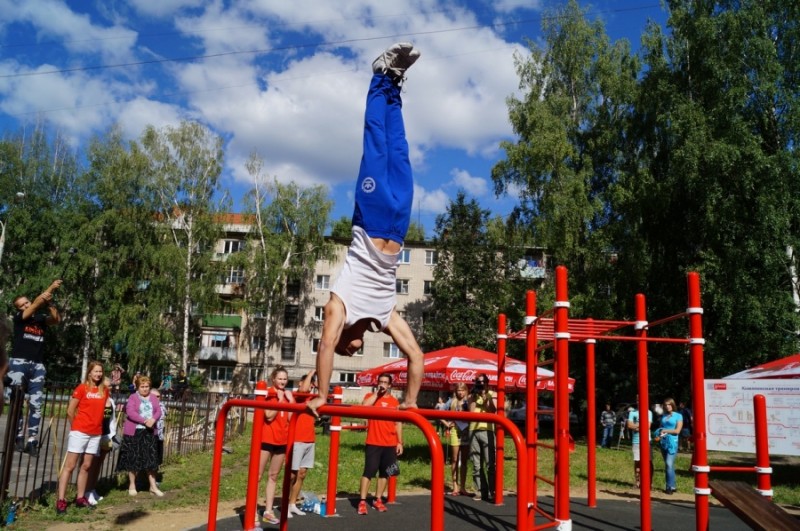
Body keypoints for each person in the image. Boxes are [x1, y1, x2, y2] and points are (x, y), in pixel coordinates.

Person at [305, 42, 424, 418]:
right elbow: (416, 355)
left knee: (376, 144)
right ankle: (393, 85)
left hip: (371, 218)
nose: (353, 350)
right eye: (353, 352)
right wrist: (410, 401)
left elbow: (324, 347)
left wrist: (323, 395)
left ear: (340, 338)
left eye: (347, 350)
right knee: (399, 150)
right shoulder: (385, 315)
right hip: (398, 225)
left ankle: (378, 77)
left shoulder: (338, 306)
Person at [6, 279, 62, 456]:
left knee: (36, 403)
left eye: (26, 302)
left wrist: (50, 302)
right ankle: (18, 436)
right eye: (22, 305)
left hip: (37, 365)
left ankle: (32, 439)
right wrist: (49, 288)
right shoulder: (20, 319)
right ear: (19, 309)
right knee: (17, 403)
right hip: (18, 364)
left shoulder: (39, 320)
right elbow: (37, 303)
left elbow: (56, 319)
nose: (25, 306)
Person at [55, 361, 109, 514]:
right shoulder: (81, 388)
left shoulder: (104, 391)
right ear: (89, 373)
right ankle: (61, 500)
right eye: (95, 371)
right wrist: (76, 427)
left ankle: (80, 498)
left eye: (100, 372)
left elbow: (102, 411)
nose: (98, 374)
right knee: (70, 466)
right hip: (80, 432)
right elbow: (70, 410)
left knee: (86, 466)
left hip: (95, 433)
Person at [357, 373, 402, 515]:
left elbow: (398, 423)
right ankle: (362, 501)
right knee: (369, 471)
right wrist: (377, 394)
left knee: (385, 473)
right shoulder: (370, 398)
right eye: (380, 382)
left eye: (385, 383)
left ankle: (377, 499)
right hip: (373, 441)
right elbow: (364, 407)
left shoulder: (395, 402)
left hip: (390, 443)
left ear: (390, 385)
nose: (382, 384)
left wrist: (400, 442)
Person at [258, 366, 294, 526]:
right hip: (266, 440)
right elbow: (269, 416)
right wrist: (279, 400)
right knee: (257, 476)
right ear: (273, 379)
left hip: (281, 441)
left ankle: (268, 511)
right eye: (280, 378)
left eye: (285, 379)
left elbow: (291, 418)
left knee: (273, 476)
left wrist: (290, 400)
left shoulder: (286, 395)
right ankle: (252, 510)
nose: (283, 381)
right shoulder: (269, 393)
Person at [116, 375, 164, 497]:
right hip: (134, 431)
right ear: (138, 387)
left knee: (150, 459)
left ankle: (153, 486)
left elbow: (158, 411)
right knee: (133, 457)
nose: (145, 389)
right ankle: (132, 484)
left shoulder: (153, 398)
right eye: (142, 387)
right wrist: (144, 421)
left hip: (149, 431)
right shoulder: (133, 397)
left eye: (147, 386)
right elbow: (130, 412)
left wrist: (153, 419)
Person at [286, 369, 317, 518]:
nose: (310, 386)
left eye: (312, 384)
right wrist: (312, 372)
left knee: (302, 474)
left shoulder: (313, 398)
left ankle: (292, 504)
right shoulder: (299, 395)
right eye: (309, 383)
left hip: (309, 439)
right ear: (300, 383)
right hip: (296, 439)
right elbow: (304, 389)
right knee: (292, 475)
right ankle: (285, 504)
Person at [85, 378, 119, 506]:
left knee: (98, 464)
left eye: (111, 386)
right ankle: (86, 491)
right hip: (96, 435)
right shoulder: (98, 398)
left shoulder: (109, 400)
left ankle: (92, 489)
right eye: (108, 386)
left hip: (106, 435)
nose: (110, 388)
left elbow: (109, 419)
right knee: (91, 464)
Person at [469, 373, 496, 502]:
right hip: (473, 429)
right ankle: (481, 491)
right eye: (478, 382)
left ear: (487, 383)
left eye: (482, 382)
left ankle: (493, 491)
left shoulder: (492, 394)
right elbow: (471, 412)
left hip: (487, 430)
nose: (480, 384)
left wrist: (486, 398)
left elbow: (493, 410)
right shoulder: (472, 395)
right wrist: (474, 396)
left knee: (490, 463)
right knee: (476, 464)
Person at [443, 383, 471, 495]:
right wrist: (447, 424)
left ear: (466, 391)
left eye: (462, 390)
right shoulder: (451, 401)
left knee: (464, 460)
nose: (460, 392)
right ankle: (455, 486)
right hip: (455, 431)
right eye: (459, 390)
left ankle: (463, 487)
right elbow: (440, 412)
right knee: (454, 458)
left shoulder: (468, 401)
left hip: (466, 431)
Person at [655, 397, 683, 494]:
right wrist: (659, 433)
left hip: (673, 443)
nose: (667, 407)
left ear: (673, 405)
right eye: (666, 405)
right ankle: (672, 485)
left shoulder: (678, 416)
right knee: (668, 466)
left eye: (669, 404)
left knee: (669, 463)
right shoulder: (663, 416)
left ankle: (669, 487)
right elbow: (660, 428)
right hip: (663, 442)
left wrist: (665, 430)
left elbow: (677, 431)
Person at [627, 399, 653, 490]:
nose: (639, 401)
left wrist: (637, 426)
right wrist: (639, 426)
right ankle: (637, 482)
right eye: (637, 400)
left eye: (640, 399)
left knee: (648, 462)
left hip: (646, 440)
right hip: (636, 440)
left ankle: (649, 482)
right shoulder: (632, 413)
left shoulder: (648, 412)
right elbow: (629, 425)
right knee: (637, 461)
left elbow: (647, 427)